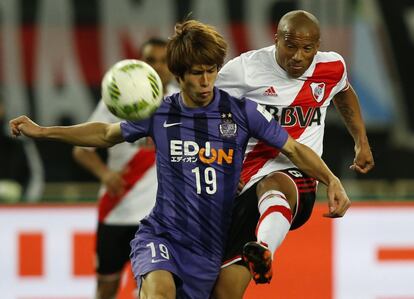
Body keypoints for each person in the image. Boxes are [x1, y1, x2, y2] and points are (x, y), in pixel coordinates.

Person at [9, 19, 350, 299]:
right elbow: (105, 134)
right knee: (158, 293)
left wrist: (331, 180)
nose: (205, 82)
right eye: (197, 73)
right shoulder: (160, 113)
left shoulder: (242, 113)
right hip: (163, 235)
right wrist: (44, 132)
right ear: (179, 74)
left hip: (210, 246)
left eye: (211, 72)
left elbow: (293, 149)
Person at [212, 10, 374, 298]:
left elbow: (343, 92)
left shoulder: (331, 67)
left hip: (300, 177)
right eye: (290, 46)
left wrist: (360, 140)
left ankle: (264, 249)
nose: (298, 56)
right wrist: (225, 162)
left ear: (317, 46)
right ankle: (256, 253)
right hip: (241, 185)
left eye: (307, 48)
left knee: (274, 182)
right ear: (276, 40)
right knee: (223, 291)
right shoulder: (244, 70)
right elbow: (209, 113)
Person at [72, 38, 179, 299]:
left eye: (164, 60)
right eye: (151, 60)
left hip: (160, 217)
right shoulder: (122, 97)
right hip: (117, 211)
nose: (158, 66)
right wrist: (105, 174)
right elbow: (81, 150)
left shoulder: (182, 99)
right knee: (107, 287)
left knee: (150, 288)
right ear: (142, 63)